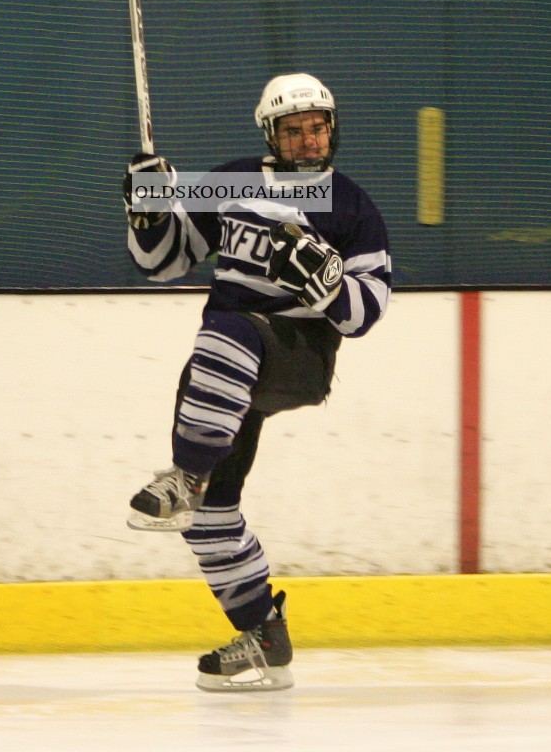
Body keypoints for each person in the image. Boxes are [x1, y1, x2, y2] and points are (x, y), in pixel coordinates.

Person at [122, 73, 391, 691]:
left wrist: (325, 284)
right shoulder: (234, 181)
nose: (307, 140)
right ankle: (264, 637)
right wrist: (148, 215)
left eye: (317, 126)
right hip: (226, 369)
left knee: (227, 328)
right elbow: (163, 263)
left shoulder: (351, 205)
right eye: (292, 130)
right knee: (211, 518)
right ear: (271, 134)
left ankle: (185, 474)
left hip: (297, 354)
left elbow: (367, 312)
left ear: (333, 128)